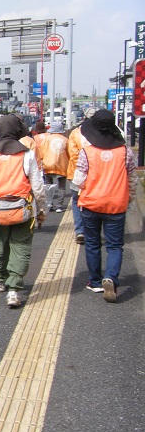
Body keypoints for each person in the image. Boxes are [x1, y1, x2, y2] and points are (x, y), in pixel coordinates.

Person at [0, 115, 47, 308]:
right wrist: (42, 209)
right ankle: (14, 290)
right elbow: (37, 186)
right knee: (20, 248)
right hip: (23, 210)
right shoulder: (27, 154)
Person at [73, 109, 137, 303]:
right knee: (115, 245)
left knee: (92, 244)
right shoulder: (125, 152)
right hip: (116, 204)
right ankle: (111, 277)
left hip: (91, 203)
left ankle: (95, 281)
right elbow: (132, 180)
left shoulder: (88, 152)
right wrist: (129, 198)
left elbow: (78, 181)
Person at [66, 107, 97, 244]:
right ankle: (93, 231)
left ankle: (80, 231)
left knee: (76, 201)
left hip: (76, 172)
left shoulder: (75, 133)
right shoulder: (101, 132)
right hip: (97, 173)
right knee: (94, 201)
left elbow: (72, 154)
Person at [37, 121, 69, 212]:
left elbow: (41, 152)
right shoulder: (65, 140)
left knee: (48, 184)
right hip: (62, 165)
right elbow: (70, 153)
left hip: (48, 164)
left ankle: (49, 203)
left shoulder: (47, 139)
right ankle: (59, 206)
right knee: (61, 186)